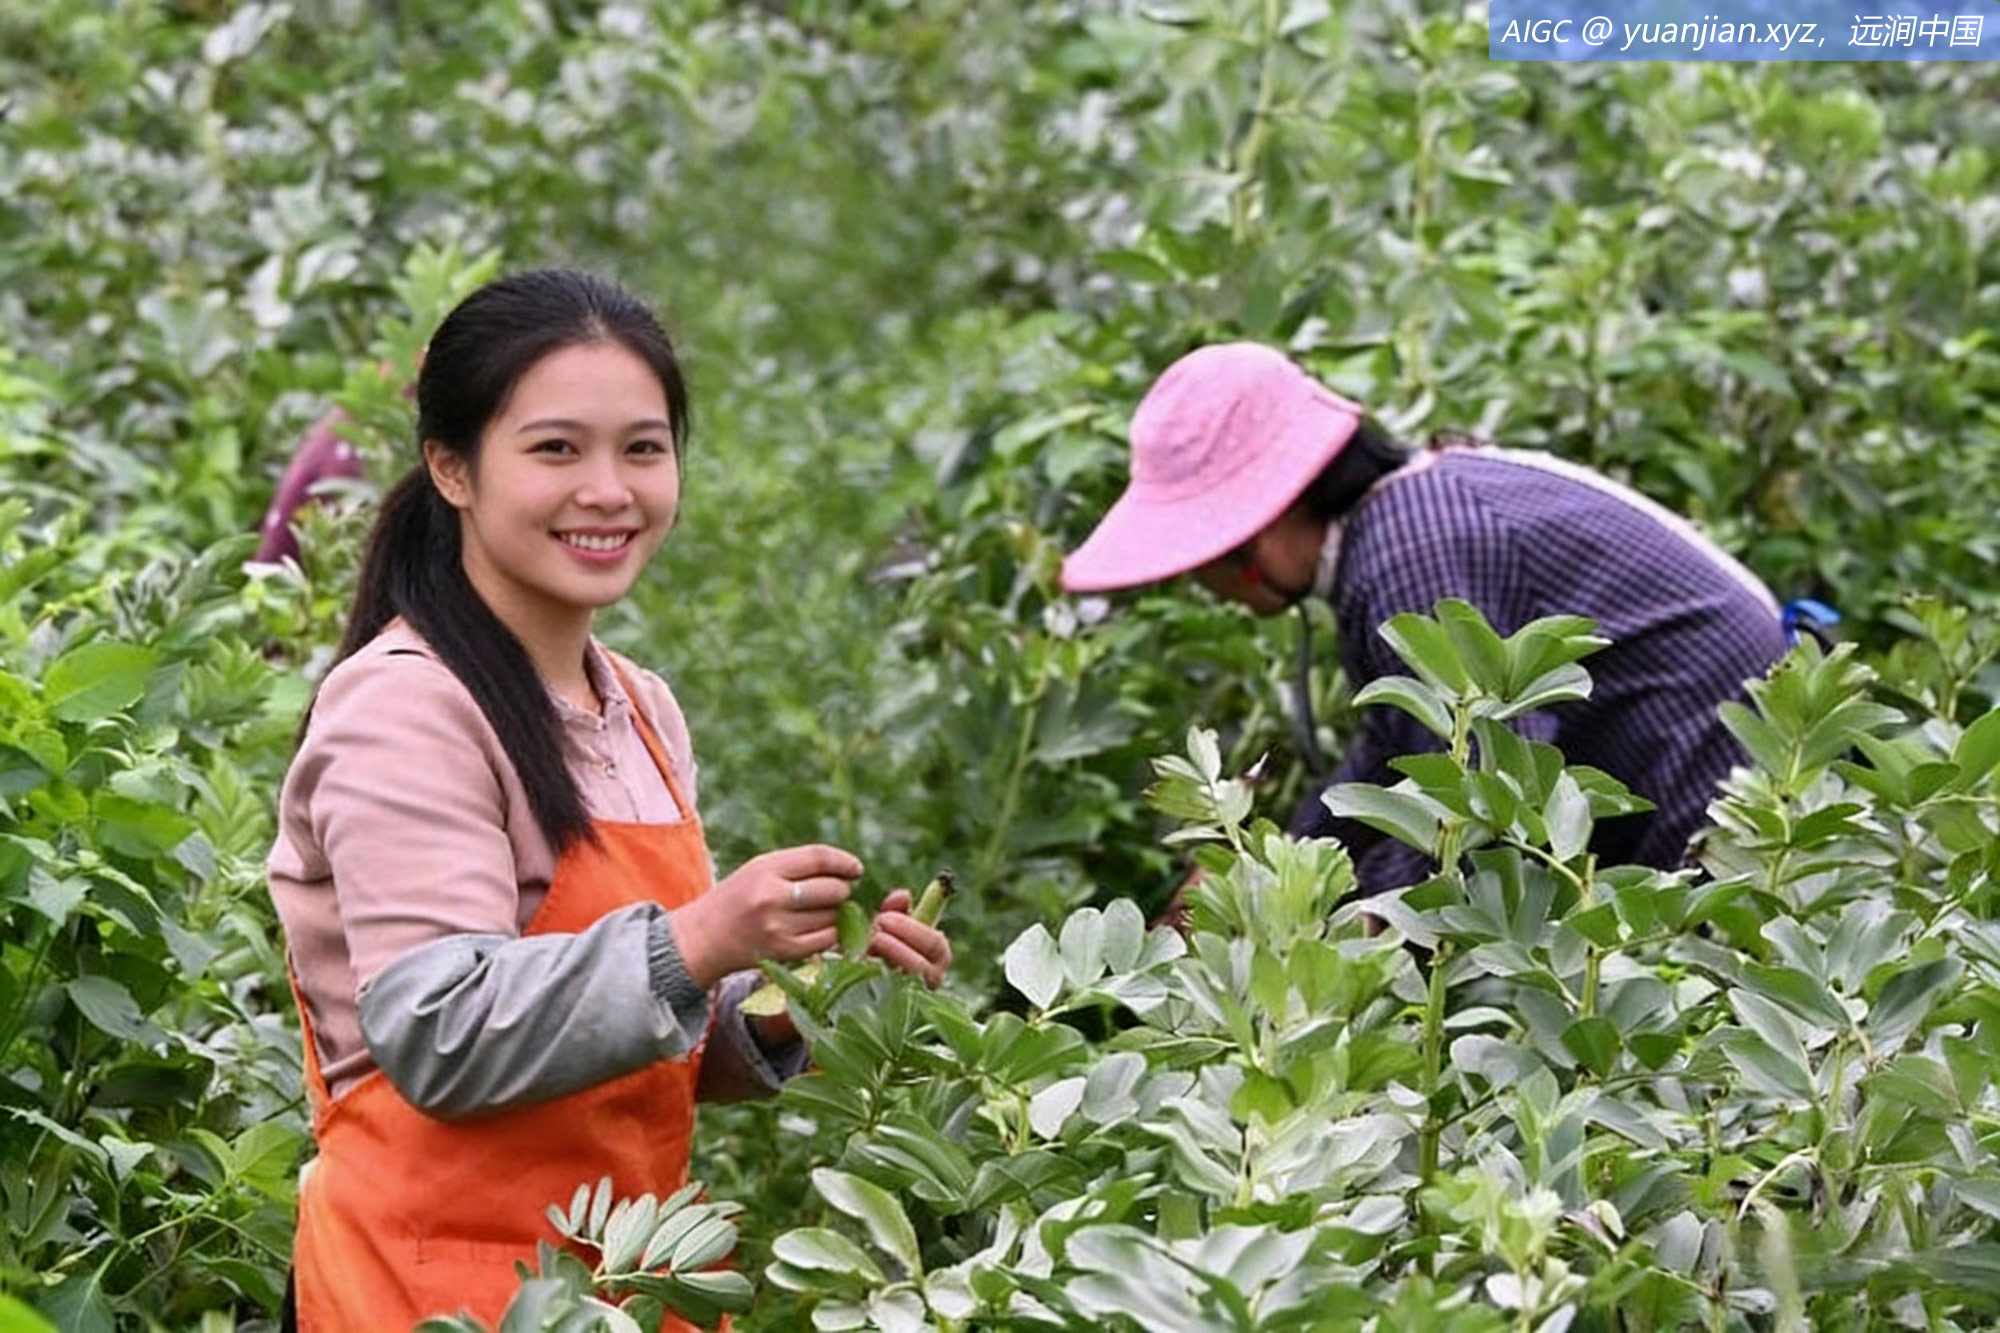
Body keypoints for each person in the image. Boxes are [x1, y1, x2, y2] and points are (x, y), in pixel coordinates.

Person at [264, 268, 952, 1331]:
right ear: (451, 467)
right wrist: (702, 936)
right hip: (438, 1291)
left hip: (632, 1281)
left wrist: (801, 997)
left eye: (642, 448)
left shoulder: (638, 705)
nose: (608, 490)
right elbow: (441, 1031)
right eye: (555, 449)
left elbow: (627, 1052)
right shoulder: (405, 707)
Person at [1060, 341, 1787, 897]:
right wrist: (1270, 867)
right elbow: (1397, 751)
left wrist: (1340, 923)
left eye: (1201, 558)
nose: (1205, 585)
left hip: (1731, 797)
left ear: (1261, 527)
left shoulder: (1413, 551)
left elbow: (1487, 809)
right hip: (1723, 772)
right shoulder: (1404, 523)